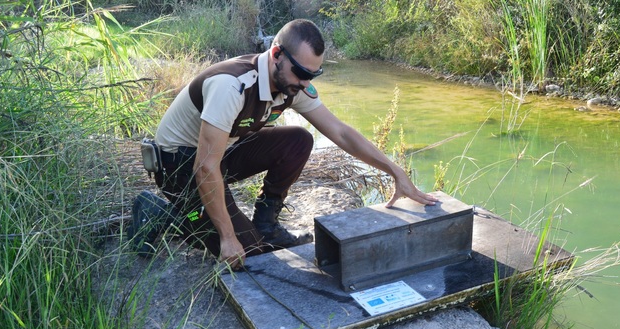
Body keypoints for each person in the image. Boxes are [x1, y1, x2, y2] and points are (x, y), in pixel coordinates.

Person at [135, 19, 438, 269]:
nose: (306, 83)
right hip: (180, 166)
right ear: (277, 54)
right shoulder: (232, 85)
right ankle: (166, 215)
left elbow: (341, 132)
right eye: (303, 73)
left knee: (298, 140)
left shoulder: (291, 84)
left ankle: (267, 224)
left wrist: (395, 171)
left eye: (314, 74)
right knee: (249, 252)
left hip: (220, 153)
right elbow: (204, 167)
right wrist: (227, 237)